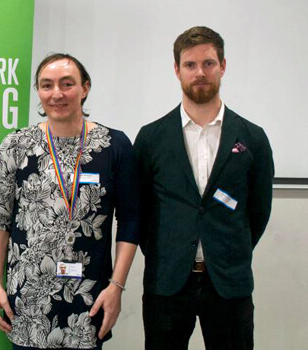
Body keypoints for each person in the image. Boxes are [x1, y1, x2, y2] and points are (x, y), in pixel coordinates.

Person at [0, 53, 140, 350]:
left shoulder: (114, 145)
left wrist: (117, 287)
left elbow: (131, 220)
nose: (56, 94)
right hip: (28, 303)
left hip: (89, 300)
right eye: (46, 85)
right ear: (38, 92)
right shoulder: (15, 145)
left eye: (66, 84)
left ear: (85, 88)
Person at [135, 26, 274, 350]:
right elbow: (140, 212)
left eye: (209, 63)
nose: (200, 72)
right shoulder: (151, 138)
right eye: (190, 64)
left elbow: (258, 211)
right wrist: (170, 251)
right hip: (167, 283)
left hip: (229, 282)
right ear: (177, 69)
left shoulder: (252, 138)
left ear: (223, 66)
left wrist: (226, 248)